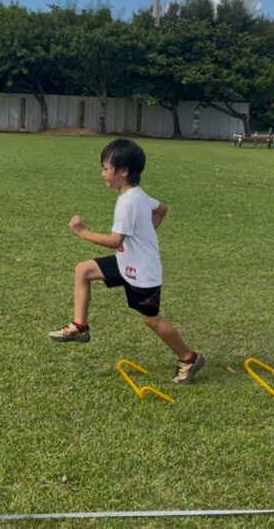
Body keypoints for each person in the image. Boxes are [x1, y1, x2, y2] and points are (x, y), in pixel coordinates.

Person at [47, 138, 205, 384]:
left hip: (142, 272)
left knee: (152, 320)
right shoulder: (138, 195)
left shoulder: (127, 202)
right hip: (126, 263)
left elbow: (114, 240)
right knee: (83, 270)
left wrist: (82, 232)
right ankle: (80, 326)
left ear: (123, 171)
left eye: (106, 169)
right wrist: (145, 236)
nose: (102, 174)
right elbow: (161, 209)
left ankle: (188, 357)